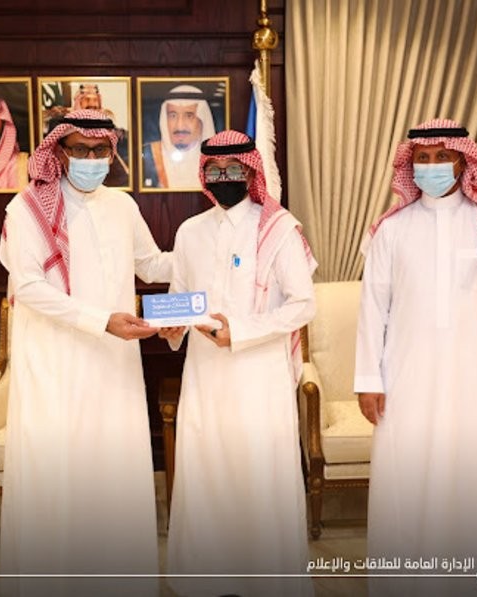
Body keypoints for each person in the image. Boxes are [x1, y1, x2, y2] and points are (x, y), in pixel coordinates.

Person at [354, 118, 477, 595]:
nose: (431, 166)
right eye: (422, 158)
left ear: (462, 161)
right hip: (405, 379)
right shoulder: (391, 229)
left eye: (442, 157)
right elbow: (373, 308)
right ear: (409, 164)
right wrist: (368, 380)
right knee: (407, 479)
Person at [0, 109, 172, 596]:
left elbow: (152, 264)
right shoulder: (26, 208)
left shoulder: (122, 205)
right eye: (80, 149)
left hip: (113, 362)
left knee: (114, 467)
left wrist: (209, 249)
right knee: (60, 472)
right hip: (55, 363)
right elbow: (27, 286)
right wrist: (101, 321)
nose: (91, 159)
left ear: (111, 153)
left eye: (100, 150)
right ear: (58, 151)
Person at [159, 130, 317, 596]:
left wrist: (242, 332)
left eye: (232, 169)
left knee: (260, 475)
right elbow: (180, 297)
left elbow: (303, 305)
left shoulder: (279, 229)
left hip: (259, 375)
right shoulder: (190, 232)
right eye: (213, 170)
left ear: (250, 172)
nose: (223, 177)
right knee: (207, 473)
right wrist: (171, 328)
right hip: (205, 375)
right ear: (203, 175)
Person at [141, 84, 216, 189]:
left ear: (202, 120)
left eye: (189, 116)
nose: (180, 126)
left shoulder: (218, 161)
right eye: (173, 115)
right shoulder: (147, 157)